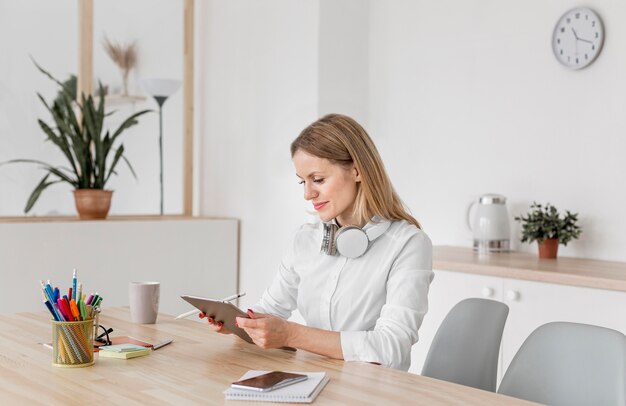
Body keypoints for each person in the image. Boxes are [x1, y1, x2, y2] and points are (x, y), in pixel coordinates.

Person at [201, 114, 433, 371]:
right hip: (311, 379)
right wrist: (239, 323)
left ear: (357, 170)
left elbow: (391, 347)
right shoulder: (305, 239)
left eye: (318, 179)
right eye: (303, 181)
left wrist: (291, 335)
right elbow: (271, 308)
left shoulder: (408, 244)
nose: (307, 194)